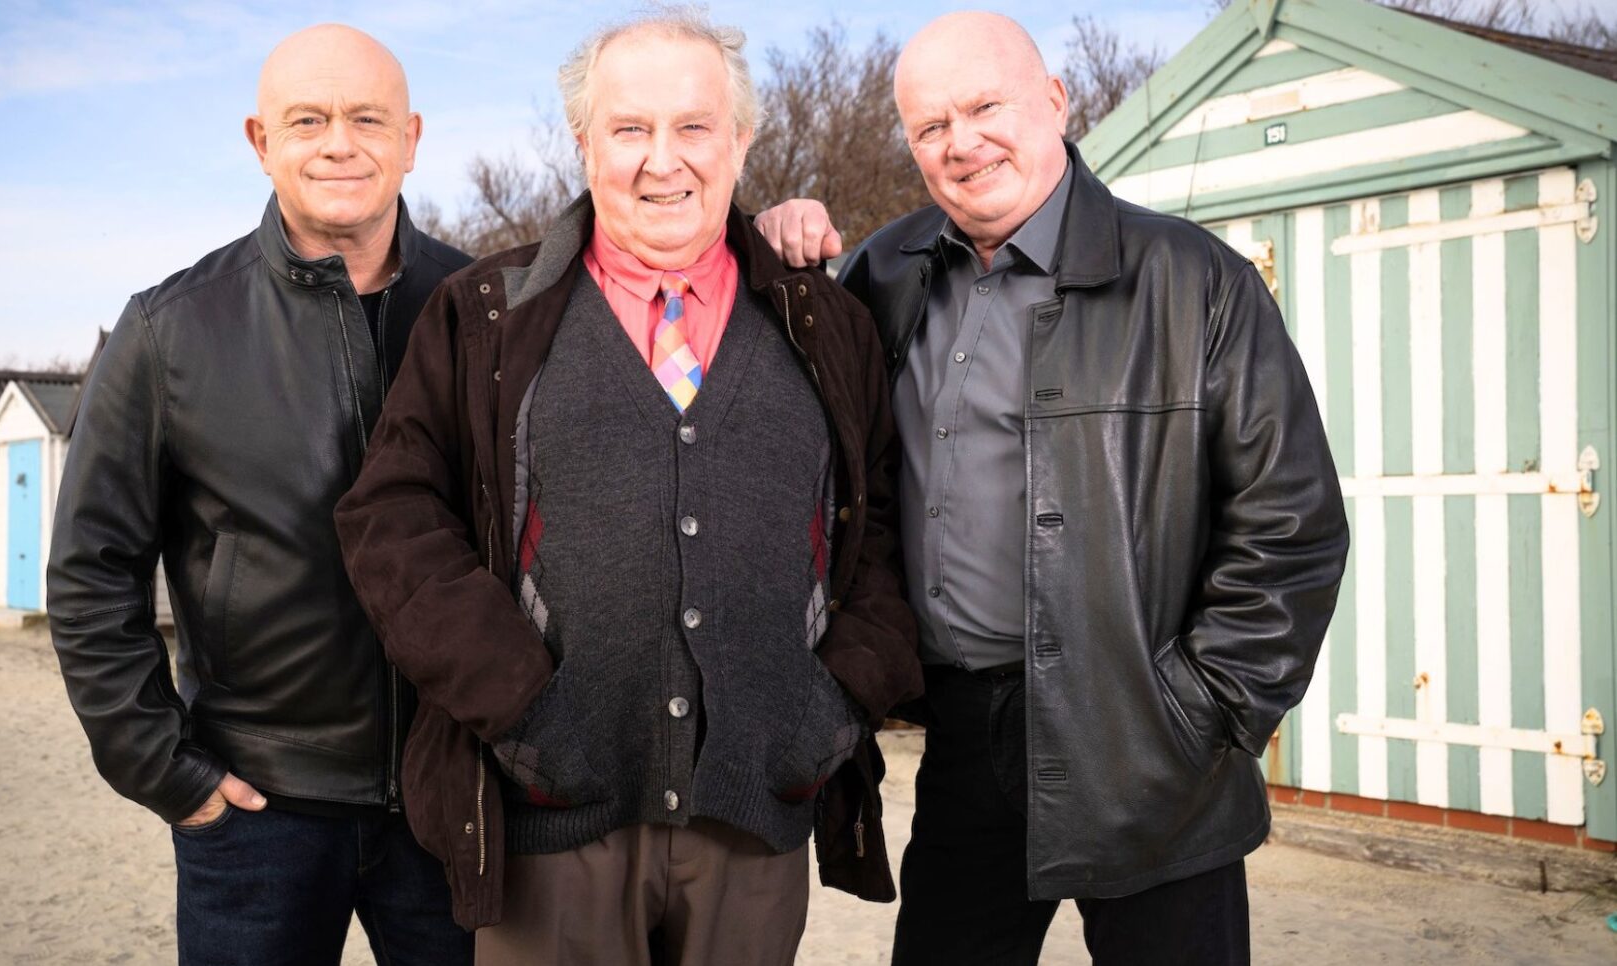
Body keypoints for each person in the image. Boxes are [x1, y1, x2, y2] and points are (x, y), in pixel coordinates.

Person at [754, 11, 1348, 965]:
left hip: (1151, 744)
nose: (962, 143)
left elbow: (1293, 527)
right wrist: (770, 239)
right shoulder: (883, 274)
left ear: (1056, 103)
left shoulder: (1194, 280)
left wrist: (1203, 712)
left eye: (986, 106)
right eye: (930, 126)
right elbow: (772, 390)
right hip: (964, 737)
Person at [332, 8, 922, 965]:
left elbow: (886, 529)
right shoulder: (483, 316)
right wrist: (521, 708)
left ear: (740, 141)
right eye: (629, 129)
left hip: (756, 815)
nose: (663, 160)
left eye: (693, 127)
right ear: (582, 143)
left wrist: (832, 709)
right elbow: (390, 521)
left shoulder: (826, 323)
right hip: (552, 819)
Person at [46, 24, 472, 966]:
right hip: (258, 813)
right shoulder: (169, 330)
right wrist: (165, 769)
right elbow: (91, 573)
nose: (338, 143)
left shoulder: (485, 306)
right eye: (307, 119)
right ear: (259, 139)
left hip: (454, 800)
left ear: (411, 136)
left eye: (367, 118)